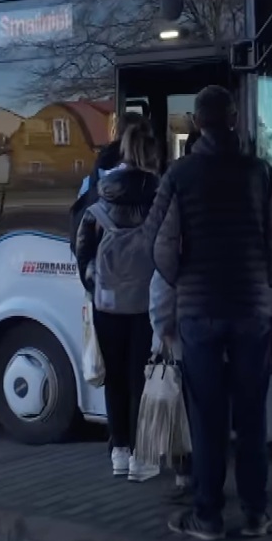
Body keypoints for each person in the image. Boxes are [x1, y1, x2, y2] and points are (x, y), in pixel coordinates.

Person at [144, 85, 272, 541]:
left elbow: (158, 241)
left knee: (207, 416)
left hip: (200, 309)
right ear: (234, 119)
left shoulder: (180, 175)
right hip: (250, 309)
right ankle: (256, 513)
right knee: (252, 415)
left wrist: (183, 278)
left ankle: (207, 515)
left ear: (196, 122)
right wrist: (258, 276)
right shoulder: (260, 172)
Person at [75, 121, 162, 482]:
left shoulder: (100, 196)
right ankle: (142, 457)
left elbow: (82, 252)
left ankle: (119, 453)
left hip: (107, 304)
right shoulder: (160, 196)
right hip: (146, 305)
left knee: (114, 378)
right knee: (141, 377)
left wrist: (97, 287)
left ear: (124, 151)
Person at [70, 112, 147, 255]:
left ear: (114, 134)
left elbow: (80, 237)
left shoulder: (93, 178)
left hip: (103, 262)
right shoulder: (149, 180)